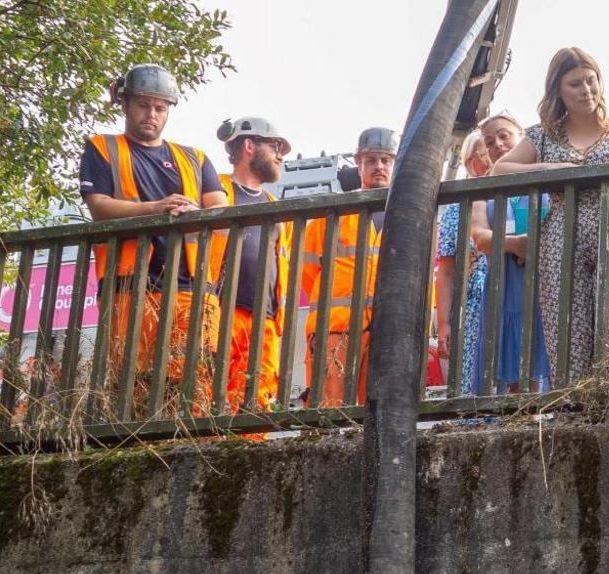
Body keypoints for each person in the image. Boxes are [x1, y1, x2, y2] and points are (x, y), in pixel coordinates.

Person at [490, 48, 609, 385]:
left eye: (591, 81)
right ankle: (573, 407)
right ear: (558, 90)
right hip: (561, 239)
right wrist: (550, 168)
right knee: (568, 329)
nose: (586, 90)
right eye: (575, 83)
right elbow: (499, 168)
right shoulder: (542, 136)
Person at [80, 63, 228, 415]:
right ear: (125, 104)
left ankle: (192, 448)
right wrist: (155, 208)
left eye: (160, 107)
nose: (152, 114)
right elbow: (99, 206)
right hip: (130, 288)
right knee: (132, 382)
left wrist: (192, 211)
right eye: (144, 105)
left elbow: (220, 210)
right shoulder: (103, 148)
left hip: (192, 289)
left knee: (195, 379)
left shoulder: (195, 158)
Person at [436, 116, 549, 396]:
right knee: (509, 357)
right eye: (489, 142)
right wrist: (516, 244)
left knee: (544, 351)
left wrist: (534, 245)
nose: (498, 145)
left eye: (504, 136)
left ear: (521, 135)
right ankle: (519, 422)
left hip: (546, 283)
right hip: (504, 288)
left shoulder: (545, 181)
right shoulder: (482, 192)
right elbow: (481, 238)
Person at [297, 127, 393, 406]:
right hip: (334, 330)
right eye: (372, 160)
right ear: (358, 162)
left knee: (376, 412)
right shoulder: (334, 215)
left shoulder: (407, 214)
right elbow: (307, 274)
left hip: (387, 331)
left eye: (385, 160)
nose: (379, 166)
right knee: (328, 409)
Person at [214, 116, 293, 412]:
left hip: (265, 319)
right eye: (274, 146)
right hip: (222, 308)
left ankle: (246, 453)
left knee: (256, 401)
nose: (280, 155)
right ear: (249, 145)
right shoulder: (216, 191)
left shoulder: (274, 204)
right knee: (210, 390)